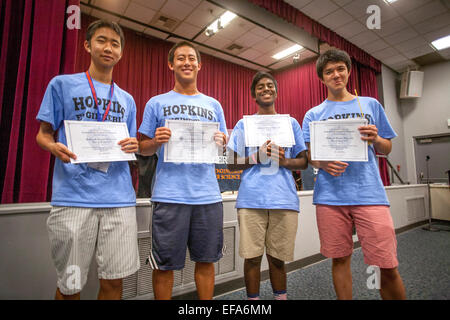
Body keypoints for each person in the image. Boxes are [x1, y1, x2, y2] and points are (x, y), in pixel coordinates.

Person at [35, 20, 140, 300]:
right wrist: (54, 147)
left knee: (114, 284)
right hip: (73, 198)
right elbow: (42, 135)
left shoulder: (127, 100)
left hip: (118, 200)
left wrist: (135, 144)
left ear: (121, 52)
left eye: (115, 43)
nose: (108, 47)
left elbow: (129, 144)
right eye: (101, 41)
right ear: (88, 45)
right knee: (70, 286)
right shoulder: (62, 85)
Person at [302, 49, 406, 300]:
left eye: (340, 69)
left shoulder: (370, 104)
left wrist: (376, 138)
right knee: (339, 259)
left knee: (386, 264)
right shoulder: (313, 114)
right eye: (329, 71)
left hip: (369, 193)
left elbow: (387, 148)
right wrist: (322, 162)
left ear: (348, 71)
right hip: (330, 197)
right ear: (322, 78)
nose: (336, 75)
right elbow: (308, 155)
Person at [138, 41, 228, 300]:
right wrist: (156, 142)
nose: (186, 62)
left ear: (199, 65)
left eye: (191, 58)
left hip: (208, 196)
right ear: (171, 64)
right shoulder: (156, 102)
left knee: (207, 261)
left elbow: (222, 150)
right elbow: (142, 148)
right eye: (180, 58)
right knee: (165, 265)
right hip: (169, 196)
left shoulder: (214, 104)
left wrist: (222, 143)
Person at [227, 72, 308, 300]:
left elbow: (304, 161)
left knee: (277, 258)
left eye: (270, 86)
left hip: (284, 198)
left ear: (276, 92)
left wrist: (284, 161)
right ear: (254, 94)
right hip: (252, 199)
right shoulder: (244, 124)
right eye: (260, 86)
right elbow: (232, 163)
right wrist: (257, 157)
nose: (266, 89)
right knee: (252, 258)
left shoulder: (291, 123)